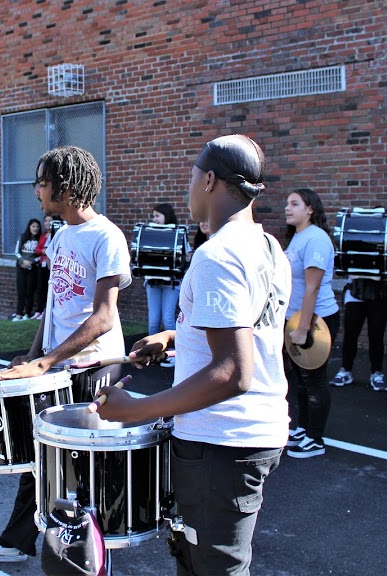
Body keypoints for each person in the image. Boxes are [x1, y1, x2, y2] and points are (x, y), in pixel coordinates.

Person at [96, 134, 290, 576]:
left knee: (216, 567)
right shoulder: (268, 247)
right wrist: (173, 336)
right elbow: (252, 332)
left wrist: (137, 409)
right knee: (193, 559)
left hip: (222, 443)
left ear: (208, 181)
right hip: (249, 435)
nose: (188, 189)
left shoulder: (217, 256)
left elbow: (233, 373)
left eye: (190, 178)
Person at [0, 145, 131, 565]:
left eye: (42, 181)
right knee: (39, 457)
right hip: (56, 367)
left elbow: (105, 317)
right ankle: (16, 542)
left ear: (67, 187)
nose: (36, 189)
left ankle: (90, 558)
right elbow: (55, 304)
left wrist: (48, 360)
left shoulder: (106, 235)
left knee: (86, 471)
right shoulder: (60, 235)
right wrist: (33, 357)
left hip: (95, 367)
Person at [283, 188, 340, 458]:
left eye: (295, 204)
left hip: (317, 321)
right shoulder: (297, 237)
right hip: (296, 318)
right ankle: (304, 428)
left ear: (310, 209)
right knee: (301, 380)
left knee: (314, 380)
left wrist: (303, 328)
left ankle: (316, 439)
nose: (287, 208)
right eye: (287, 203)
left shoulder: (316, 239)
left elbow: (312, 289)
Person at [329, 274, 387, 391]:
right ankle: (345, 370)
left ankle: (377, 372)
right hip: (355, 290)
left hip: (381, 292)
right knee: (350, 333)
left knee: (376, 334)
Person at [144, 203, 183, 368]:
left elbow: (181, 256)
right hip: (152, 282)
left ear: (167, 216)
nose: (155, 219)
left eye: (157, 216)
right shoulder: (149, 233)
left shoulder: (177, 234)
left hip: (171, 283)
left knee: (168, 320)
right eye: (153, 216)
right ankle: (150, 354)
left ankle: (175, 355)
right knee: (153, 321)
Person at [10, 218, 42, 321]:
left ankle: (27, 314)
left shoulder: (40, 239)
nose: (35, 228)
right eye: (33, 226)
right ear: (29, 227)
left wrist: (32, 262)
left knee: (30, 292)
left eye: (37, 227)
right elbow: (16, 252)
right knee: (21, 291)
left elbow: (41, 255)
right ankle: (19, 314)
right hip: (21, 268)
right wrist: (23, 261)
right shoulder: (22, 237)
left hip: (32, 269)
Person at [33, 214, 54, 316]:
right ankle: (38, 310)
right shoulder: (42, 235)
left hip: (51, 265)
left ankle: (46, 311)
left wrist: (48, 251)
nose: (47, 223)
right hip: (42, 264)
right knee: (40, 288)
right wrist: (43, 251)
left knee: (48, 288)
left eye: (50, 221)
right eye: (46, 221)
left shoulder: (56, 234)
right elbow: (37, 249)